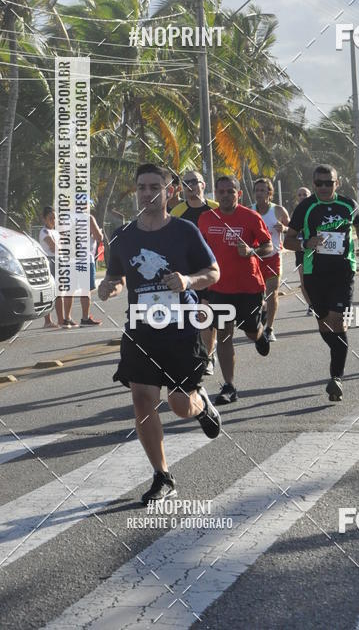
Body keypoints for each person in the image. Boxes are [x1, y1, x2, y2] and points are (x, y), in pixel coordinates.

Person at [98, 163, 222, 505]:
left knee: (180, 405)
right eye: (141, 186)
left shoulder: (183, 231)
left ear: (170, 192)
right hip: (141, 330)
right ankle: (162, 476)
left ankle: (201, 405)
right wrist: (110, 286)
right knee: (142, 401)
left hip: (181, 330)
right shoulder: (123, 235)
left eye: (155, 186)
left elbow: (213, 272)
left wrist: (187, 281)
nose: (147, 192)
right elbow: (118, 276)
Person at [284, 164, 359, 402]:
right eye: (318, 183)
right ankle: (338, 350)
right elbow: (287, 241)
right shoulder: (305, 207)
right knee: (325, 324)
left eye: (328, 183)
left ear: (337, 183)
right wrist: (304, 244)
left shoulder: (348, 205)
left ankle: (336, 378)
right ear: (313, 185)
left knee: (338, 320)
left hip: (343, 271)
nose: (323, 187)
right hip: (314, 273)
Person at [198, 175, 273, 405]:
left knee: (250, 331)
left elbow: (269, 247)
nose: (225, 195)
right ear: (215, 194)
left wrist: (252, 251)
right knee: (224, 336)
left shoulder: (250, 217)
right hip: (219, 288)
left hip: (249, 286)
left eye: (230, 191)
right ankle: (229, 386)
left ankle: (259, 335)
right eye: (220, 191)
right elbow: (200, 251)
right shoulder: (206, 219)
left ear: (238, 194)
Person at [171, 171, 219, 374]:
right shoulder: (177, 211)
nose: (191, 186)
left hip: (210, 269)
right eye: (187, 182)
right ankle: (196, 352)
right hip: (186, 272)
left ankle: (207, 356)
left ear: (203, 184)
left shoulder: (215, 208)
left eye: (195, 182)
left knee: (205, 313)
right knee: (190, 316)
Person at [252, 177, 290, 342]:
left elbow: (293, 229)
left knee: (272, 292)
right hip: (255, 258)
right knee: (256, 295)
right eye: (257, 190)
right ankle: (263, 311)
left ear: (269, 192)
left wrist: (285, 228)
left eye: (263, 190)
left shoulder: (278, 211)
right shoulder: (250, 211)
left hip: (274, 257)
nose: (259, 193)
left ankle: (269, 328)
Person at [38, 207, 63, 328]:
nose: (53, 220)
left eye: (55, 218)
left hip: (58, 261)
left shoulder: (55, 232)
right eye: (50, 218)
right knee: (50, 292)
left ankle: (61, 320)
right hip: (49, 261)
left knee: (60, 292)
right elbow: (54, 247)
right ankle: (48, 321)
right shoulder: (44, 232)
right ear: (44, 219)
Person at [293, 187, 313, 315]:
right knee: (304, 281)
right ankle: (311, 305)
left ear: (310, 196)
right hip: (300, 249)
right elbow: (289, 230)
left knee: (318, 278)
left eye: (305, 194)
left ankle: (322, 302)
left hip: (315, 249)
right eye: (299, 195)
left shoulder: (315, 210)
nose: (302, 197)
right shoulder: (295, 213)